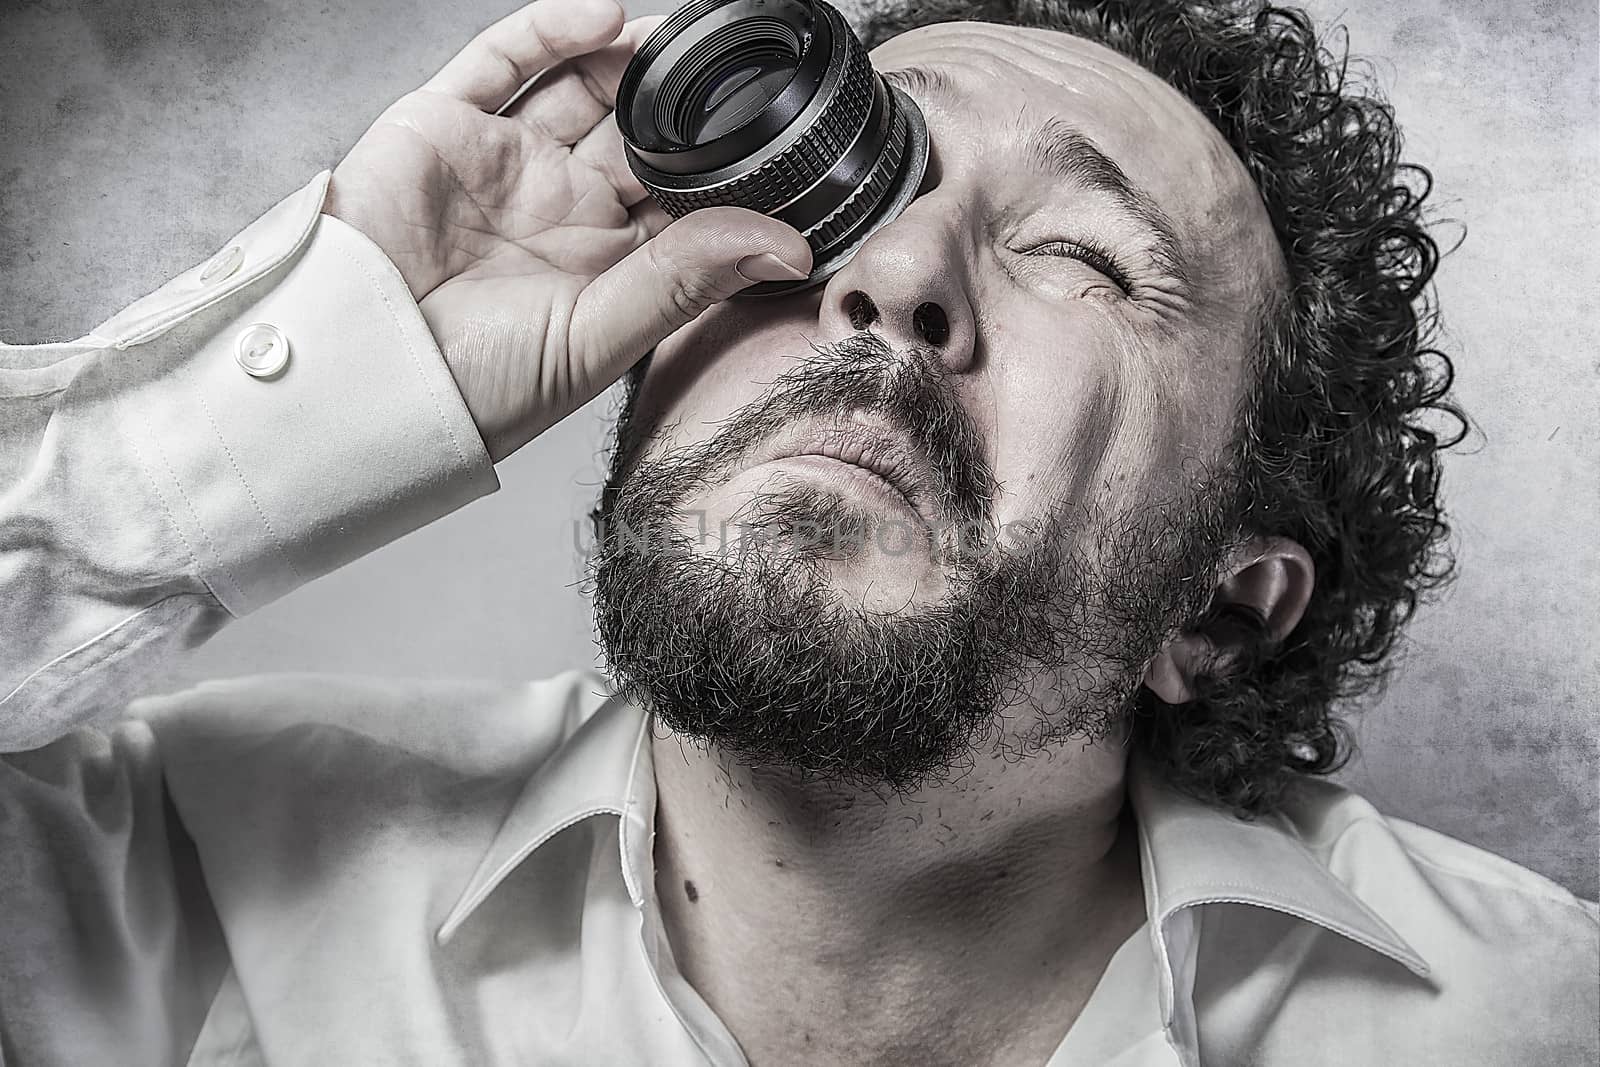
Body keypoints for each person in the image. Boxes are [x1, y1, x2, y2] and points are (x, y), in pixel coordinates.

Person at [1, 0, 1595, 1063]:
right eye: (857, 186)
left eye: (1088, 260)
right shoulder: (186, 877)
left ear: (1219, 613)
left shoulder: (1526, 1017)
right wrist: (338, 362)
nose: (891, 280)